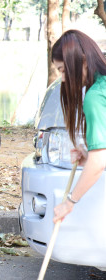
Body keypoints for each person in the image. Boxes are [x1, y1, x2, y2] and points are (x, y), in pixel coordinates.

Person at [52, 30, 106, 223]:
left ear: (82, 61)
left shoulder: (96, 96)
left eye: (63, 70)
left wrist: (69, 202)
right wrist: (90, 155)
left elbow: (99, 163)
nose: (63, 79)